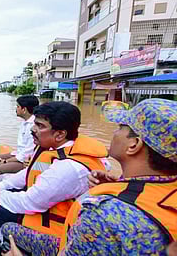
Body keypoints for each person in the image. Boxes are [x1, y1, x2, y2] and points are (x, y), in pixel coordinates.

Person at [53, 99, 177, 255]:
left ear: (133, 145)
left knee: (12, 232)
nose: (114, 132)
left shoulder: (103, 215)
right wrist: (119, 185)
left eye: (120, 127)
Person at [0, 101, 109, 255]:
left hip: (60, 236)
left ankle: (0, 251)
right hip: (49, 205)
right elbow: (30, 172)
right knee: (4, 187)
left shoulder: (67, 168)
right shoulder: (61, 149)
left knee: (5, 218)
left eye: (40, 125)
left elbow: (30, 202)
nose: (33, 129)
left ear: (60, 134)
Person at [0, 95, 39, 179]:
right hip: (19, 153)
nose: (16, 109)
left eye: (18, 106)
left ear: (24, 109)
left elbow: (27, 152)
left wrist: (7, 161)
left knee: (0, 169)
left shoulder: (33, 126)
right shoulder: (25, 122)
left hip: (26, 160)